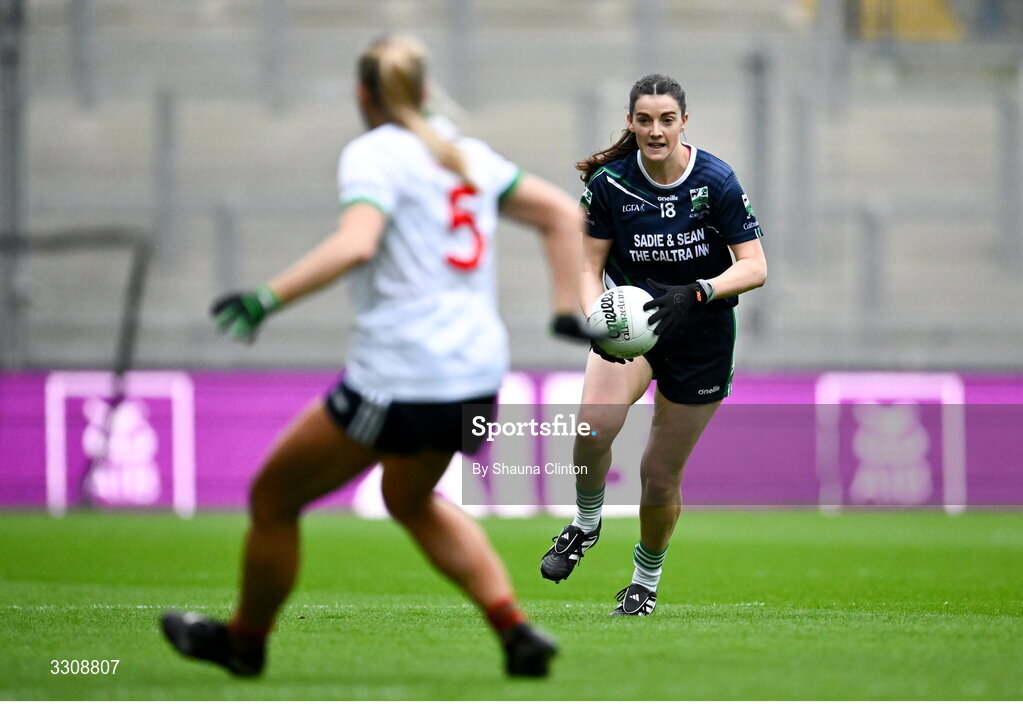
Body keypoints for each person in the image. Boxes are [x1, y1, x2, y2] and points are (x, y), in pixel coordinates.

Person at [160, 34, 594, 678]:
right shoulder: (465, 154)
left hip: (402, 376)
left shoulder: (375, 155)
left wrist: (265, 298)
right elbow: (562, 212)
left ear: (363, 96)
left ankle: (244, 644)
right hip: (474, 372)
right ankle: (516, 631)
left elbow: (356, 244)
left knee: (273, 497)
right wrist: (568, 309)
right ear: (422, 93)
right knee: (409, 497)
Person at [539, 74, 767, 616]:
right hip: (631, 328)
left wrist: (699, 290)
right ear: (631, 122)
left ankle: (644, 579)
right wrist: (601, 319)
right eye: (645, 119)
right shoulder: (611, 184)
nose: (656, 130)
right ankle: (587, 521)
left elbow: (755, 267)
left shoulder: (716, 181)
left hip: (700, 334)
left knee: (658, 476)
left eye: (667, 119)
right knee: (593, 426)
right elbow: (590, 265)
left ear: (684, 122)